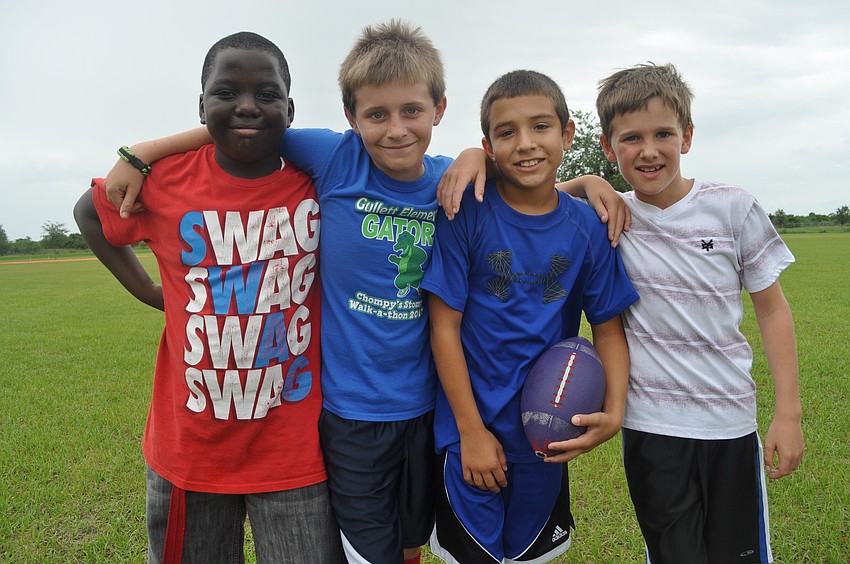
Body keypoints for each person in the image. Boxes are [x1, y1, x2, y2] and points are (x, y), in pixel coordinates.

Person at [73, 32, 343, 563]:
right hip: (190, 450)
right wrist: (149, 291)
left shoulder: (319, 182)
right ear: (201, 107)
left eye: (267, 94)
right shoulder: (167, 181)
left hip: (294, 450)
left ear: (291, 108)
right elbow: (90, 211)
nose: (247, 105)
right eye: (226, 92)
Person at [561, 62, 805, 563]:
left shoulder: (733, 208)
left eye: (663, 134)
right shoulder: (609, 215)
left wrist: (788, 412)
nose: (648, 150)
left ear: (687, 136)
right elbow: (529, 195)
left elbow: (773, 310)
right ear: (609, 147)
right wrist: (586, 181)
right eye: (631, 138)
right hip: (651, 429)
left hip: (729, 425)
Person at [421, 69, 639, 563]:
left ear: (567, 134)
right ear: (488, 145)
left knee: (529, 555)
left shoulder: (587, 225)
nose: (525, 143)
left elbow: (607, 328)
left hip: (548, 435)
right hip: (469, 438)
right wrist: (471, 434)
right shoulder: (465, 213)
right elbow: (444, 328)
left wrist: (616, 409)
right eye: (506, 132)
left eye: (541, 127)